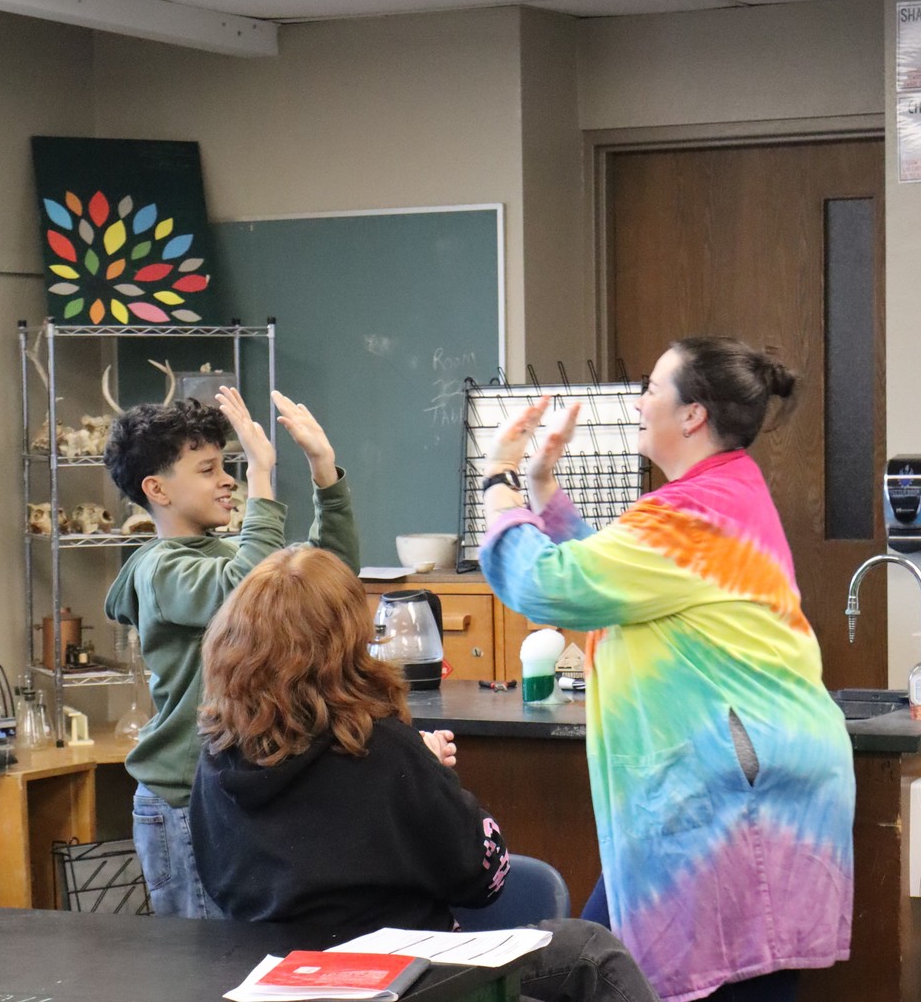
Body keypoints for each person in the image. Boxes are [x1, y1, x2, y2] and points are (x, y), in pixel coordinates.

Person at [478, 337, 855, 1002]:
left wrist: (499, 480)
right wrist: (542, 489)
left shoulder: (694, 515)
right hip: (715, 797)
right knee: (601, 966)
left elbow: (548, 584)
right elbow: (614, 584)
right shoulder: (712, 498)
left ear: (692, 415)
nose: (638, 401)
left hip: (736, 803)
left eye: (652, 388)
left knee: (635, 973)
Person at [189, 546, 661, 1002]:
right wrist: (430, 771)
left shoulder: (216, 758)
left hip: (276, 977)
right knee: (592, 952)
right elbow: (486, 879)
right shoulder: (379, 749)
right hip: (404, 977)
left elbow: (220, 883)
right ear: (346, 643)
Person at [103, 386, 359, 919]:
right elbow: (243, 590)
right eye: (208, 469)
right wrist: (261, 476)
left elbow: (329, 578)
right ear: (157, 489)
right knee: (204, 959)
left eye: (229, 466)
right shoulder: (159, 570)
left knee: (240, 955)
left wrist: (324, 471)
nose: (228, 480)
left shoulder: (224, 553)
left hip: (230, 790)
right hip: (183, 801)